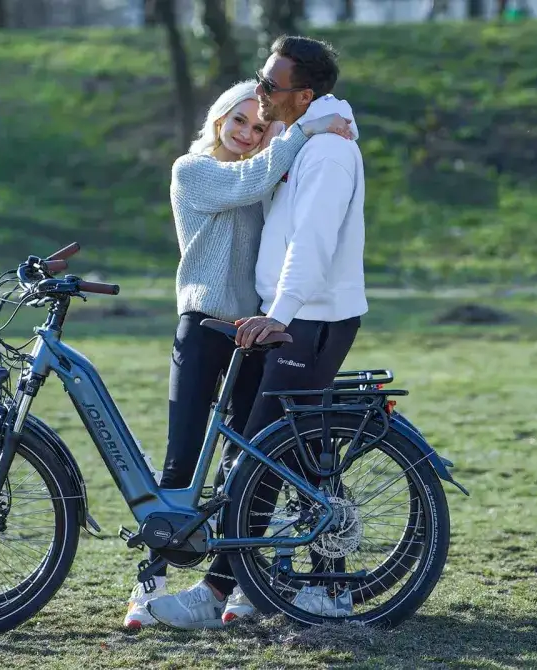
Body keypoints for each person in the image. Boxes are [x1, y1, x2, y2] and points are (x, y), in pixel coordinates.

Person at [147, 35, 368, 630]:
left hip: (306, 319)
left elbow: (312, 243)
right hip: (279, 318)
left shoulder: (325, 154)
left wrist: (283, 308)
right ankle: (225, 586)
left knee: (268, 455)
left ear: (305, 95)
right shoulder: (293, 150)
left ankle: (320, 587)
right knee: (259, 453)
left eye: (271, 87)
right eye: (257, 80)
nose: (261, 94)